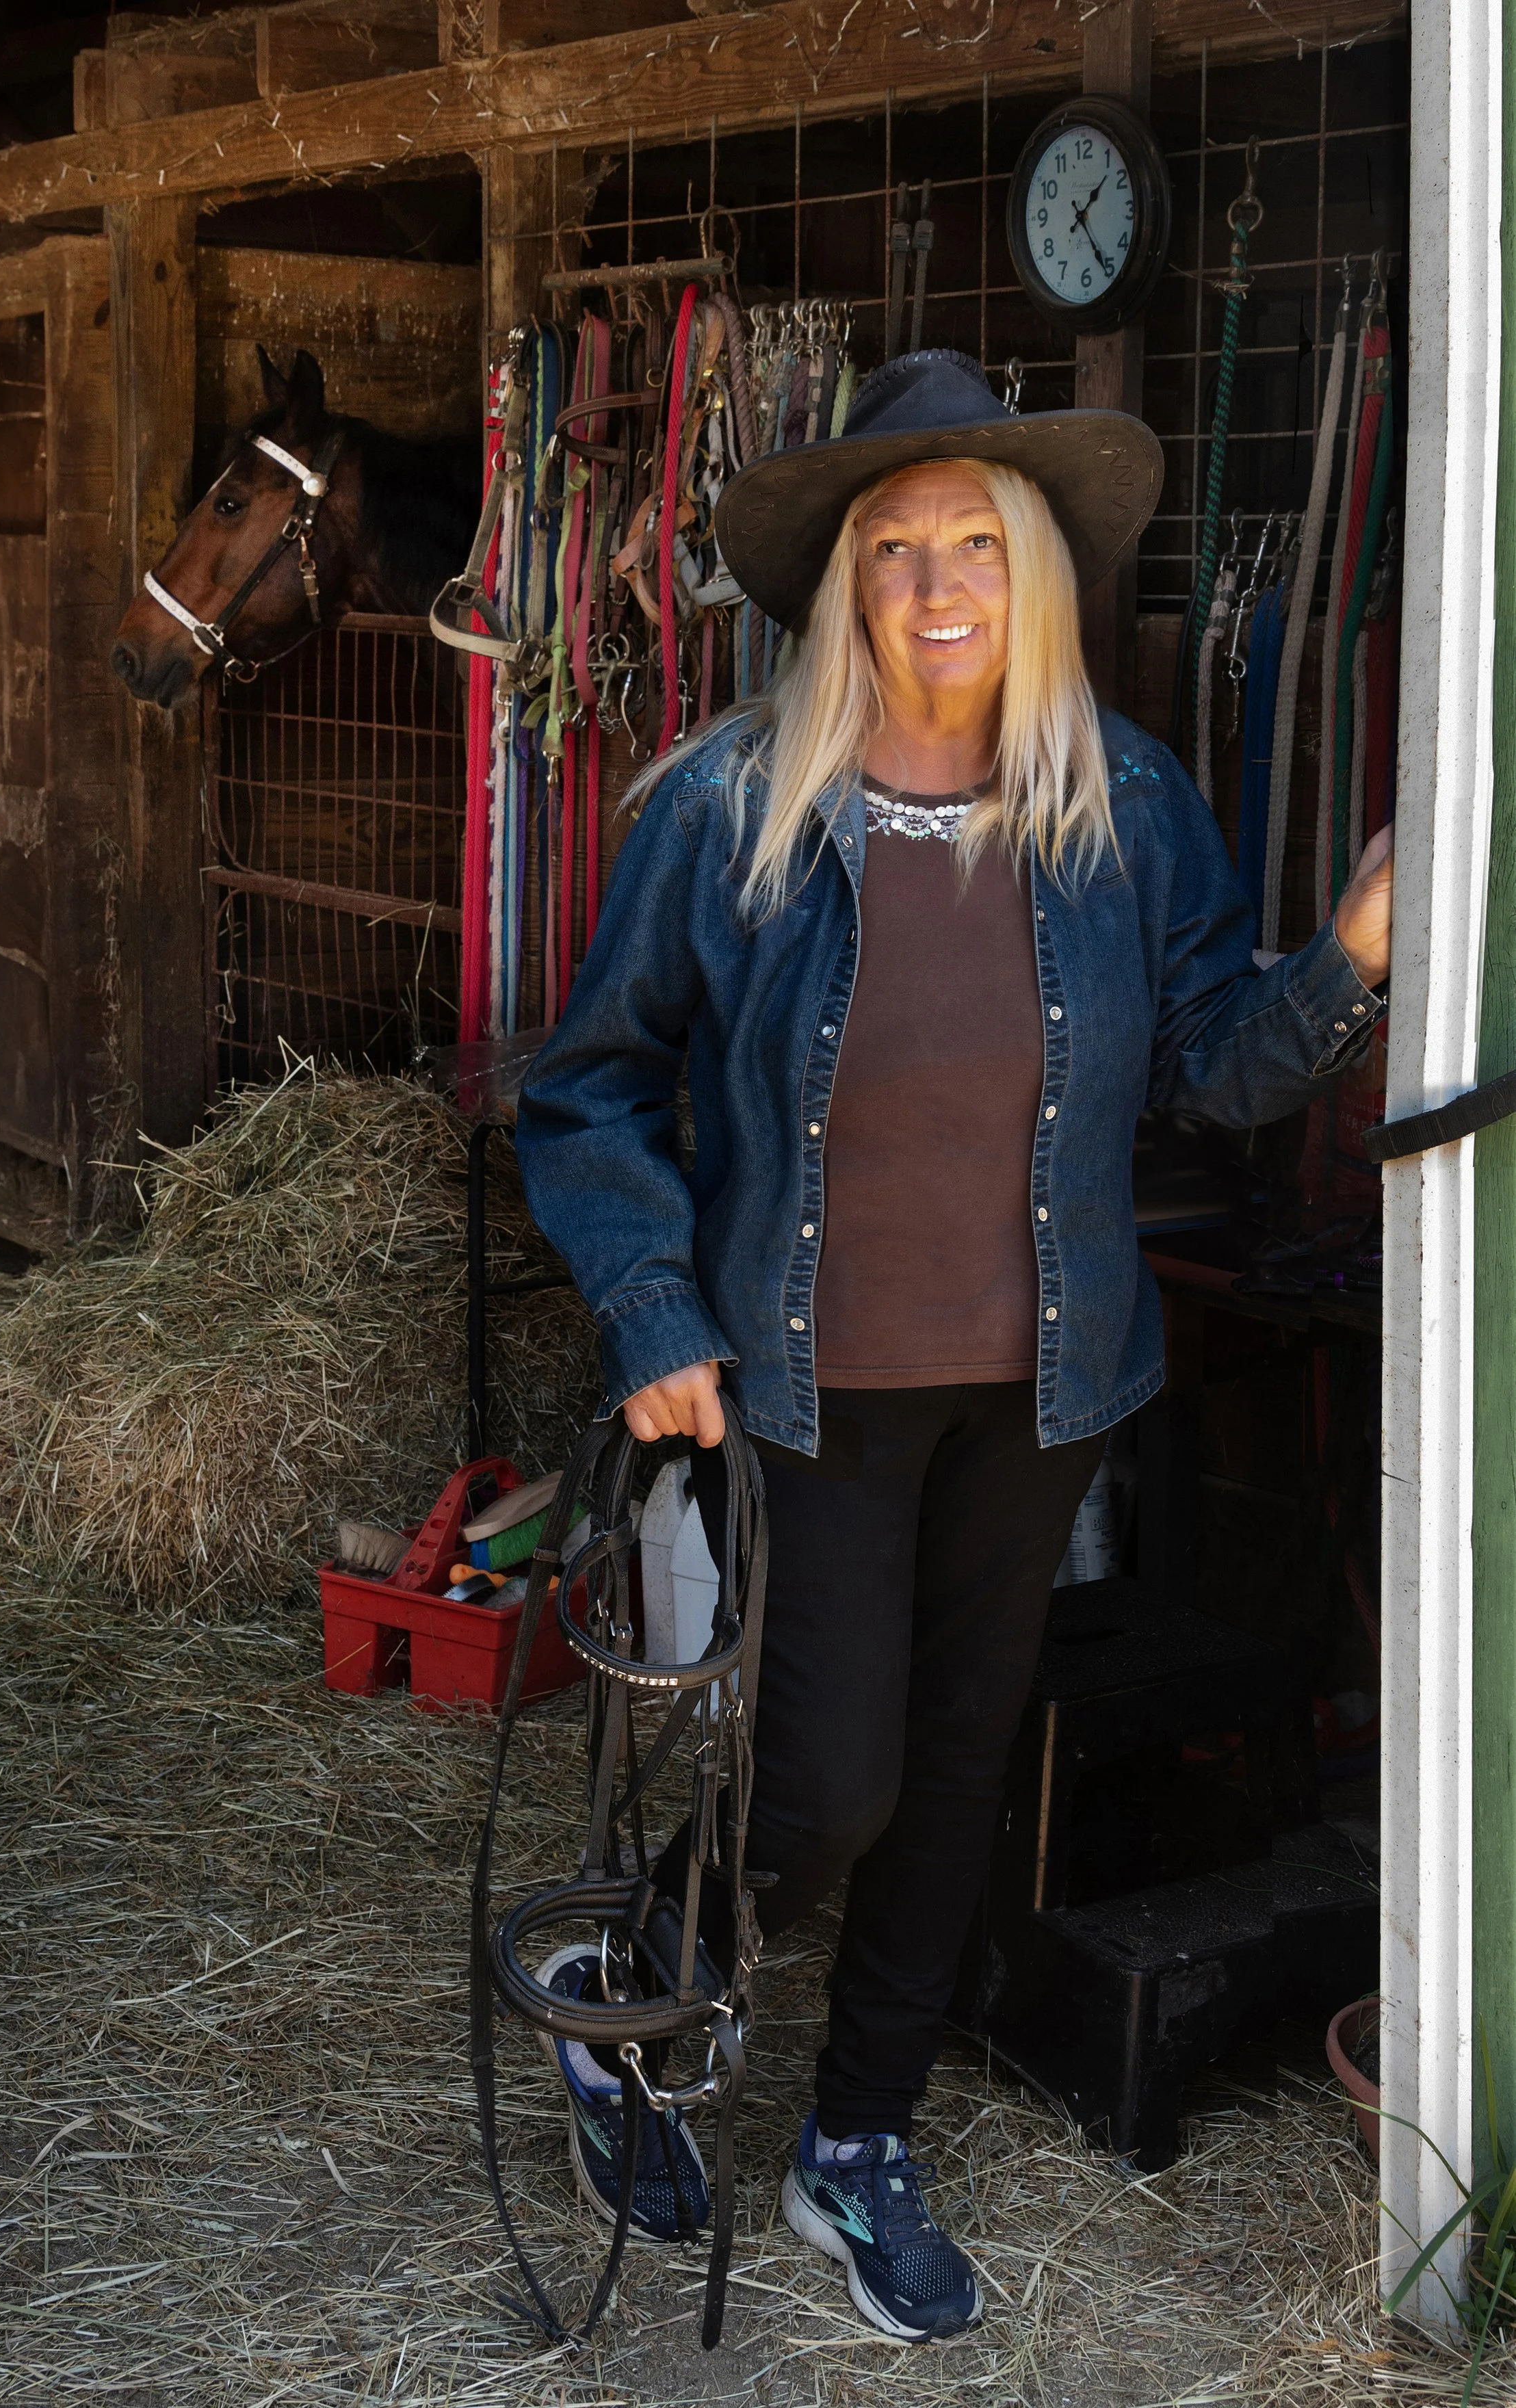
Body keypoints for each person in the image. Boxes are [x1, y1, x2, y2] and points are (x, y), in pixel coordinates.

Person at [514, 350, 1394, 2344]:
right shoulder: (736, 807)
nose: (934, 587)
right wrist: (652, 1307)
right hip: (802, 1380)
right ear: (843, 585)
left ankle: (857, 2137)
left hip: (1043, 1382)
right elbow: (584, 1091)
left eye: (974, 548)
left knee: (960, 1762)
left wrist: (1342, 966)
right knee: (827, 1779)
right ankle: (627, 1992)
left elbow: (1211, 1069)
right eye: (893, 548)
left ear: (1033, 580)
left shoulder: (1120, 797)